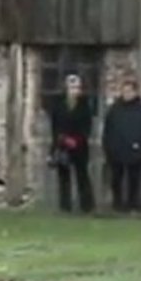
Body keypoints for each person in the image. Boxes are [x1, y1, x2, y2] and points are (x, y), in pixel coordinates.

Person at [102, 79, 141, 212]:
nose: (127, 94)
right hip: (117, 151)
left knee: (134, 180)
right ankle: (117, 203)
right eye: (124, 91)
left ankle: (133, 204)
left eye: (130, 91)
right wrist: (108, 147)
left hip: (136, 151)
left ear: (135, 92)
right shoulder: (115, 109)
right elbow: (108, 130)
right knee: (116, 179)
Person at [49, 74, 95, 213]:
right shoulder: (58, 104)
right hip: (63, 144)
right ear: (66, 88)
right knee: (64, 177)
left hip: (79, 145)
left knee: (82, 175)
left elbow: (87, 126)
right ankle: (65, 205)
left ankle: (86, 206)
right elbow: (54, 126)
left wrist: (77, 139)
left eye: (77, 87)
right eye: (71, 87)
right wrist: (58, 142)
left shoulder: (85, 105)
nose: (74, 90)